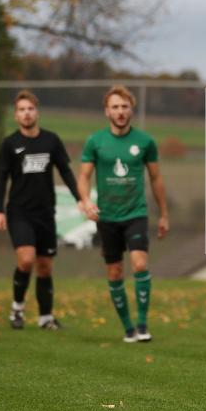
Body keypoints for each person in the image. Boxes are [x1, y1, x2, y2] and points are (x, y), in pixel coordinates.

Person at [77, 86, 169, 343]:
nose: (120, 111)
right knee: (115, 272)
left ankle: (142, 324)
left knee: (140, 264)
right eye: (115, 107)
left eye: (124, 106)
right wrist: (85, 200)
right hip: (107, 217)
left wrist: (163, 214)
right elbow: (83, 177)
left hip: (135, 213)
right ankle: (127, 327)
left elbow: (156, 178)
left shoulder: (145, 142)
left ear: (131, 109)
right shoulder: (95, 142)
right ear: (107, 111)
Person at [0, 90, 81, 330]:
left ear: (37, 112)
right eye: (21, 110)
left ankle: (45, 318)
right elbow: (2, 179)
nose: (26, 113)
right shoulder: (10, 144)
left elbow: (65, 172)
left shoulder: (51, 141)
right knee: (26, 260)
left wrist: (80, 199)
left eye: (30, 109)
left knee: (45, 265)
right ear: (16, 115)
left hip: (45, 213)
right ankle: (17, 309)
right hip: (19, 212)